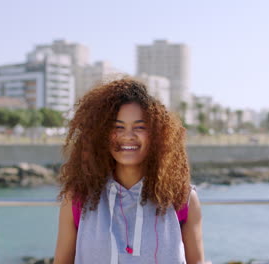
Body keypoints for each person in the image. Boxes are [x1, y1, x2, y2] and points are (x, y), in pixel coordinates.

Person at [54, 77, 208, 264]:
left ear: (157, 135)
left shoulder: (182, 198)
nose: (128, 136)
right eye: (117, 127)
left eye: (140, 127)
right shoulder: (78, 198)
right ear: (100, 134)